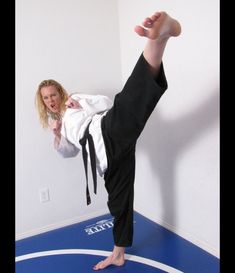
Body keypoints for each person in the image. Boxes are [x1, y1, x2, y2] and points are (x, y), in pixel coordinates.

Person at [35, 11, 181, 270]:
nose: (51, 99)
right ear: (43, 102)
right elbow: (69, 153)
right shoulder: (57, 126)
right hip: (106, 158)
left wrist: (81, 103)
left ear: (60, 92)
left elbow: (107, 104)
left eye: (53, 94)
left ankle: (158, 40)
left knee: (127, 103)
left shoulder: (75, 101)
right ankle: (119, 253)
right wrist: (58, 135)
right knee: (118, 202)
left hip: (105, 130)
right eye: (46, 98)